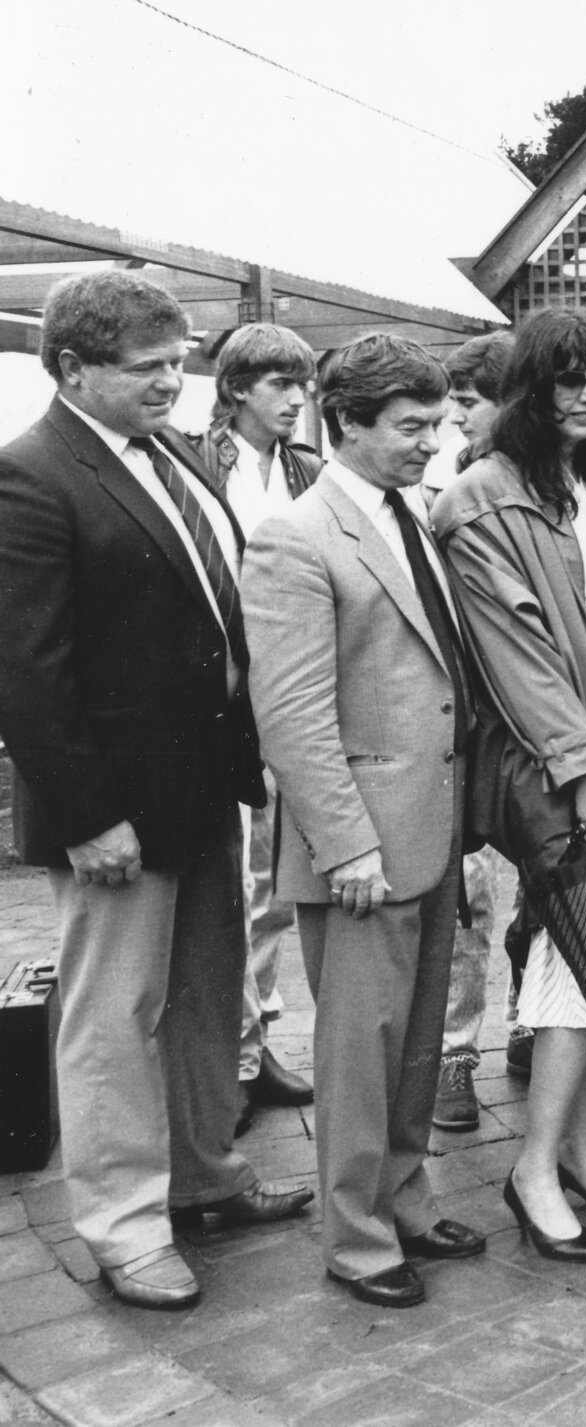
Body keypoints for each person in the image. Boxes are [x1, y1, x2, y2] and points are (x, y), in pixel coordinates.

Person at [0, 272, 311, 1309]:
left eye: (177, 363)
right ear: (72, 367)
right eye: (146, 369)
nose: (170, 383)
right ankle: (126, 1226)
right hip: (117, 815)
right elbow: (27, 673)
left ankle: (204, 1175)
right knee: (114, 1019)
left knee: (202, 1002)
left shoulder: (167, 454)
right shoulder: (31, 477)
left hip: (200, 795)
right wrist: (89, 818)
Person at [242, 335, 486, 1308]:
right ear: (348, 424)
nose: (433, 442)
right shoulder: (296, 536)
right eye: (411, 427)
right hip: (363, 846)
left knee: (418, 1038)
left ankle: (407, 1194)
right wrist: (345, 843)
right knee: (358, 1049)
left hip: (427, 827)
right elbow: (292, 712)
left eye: (438, 423)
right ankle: (356, 1234)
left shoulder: (407, 514)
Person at [432, 310, 586, 1265]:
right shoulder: (483, 497)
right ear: (525, 389)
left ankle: (574, 1148)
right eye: (565, 380)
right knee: (578, 951)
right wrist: (584, 773)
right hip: (571, 754)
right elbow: (521, 653)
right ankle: (533, 1168)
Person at [189, 323, 322, 1134]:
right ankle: (230, 1057)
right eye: (279, 385)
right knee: (235, 879)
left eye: (302, 385)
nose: (296, 400)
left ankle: (259, 1037)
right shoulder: (199, 465)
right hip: (228, 701)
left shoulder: (307, 469)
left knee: (273, 881)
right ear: (236, 388)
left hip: (294, 695)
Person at [428, 329, 520, 1131]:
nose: (454, 415)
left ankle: (530, 1021)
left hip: (527, 718)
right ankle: (456, 1054)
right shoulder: (442, 487)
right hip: (465, 724)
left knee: (550, 884)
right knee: (466, 891)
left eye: (468, 400)